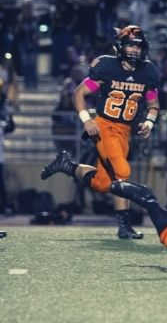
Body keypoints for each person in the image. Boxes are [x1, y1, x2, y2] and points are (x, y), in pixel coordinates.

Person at [40, 25, 160, 239]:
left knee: (103, 184)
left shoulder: (148, 72)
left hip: (125, 132)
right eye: (130, 45)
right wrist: (87, 120)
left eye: (138, 46)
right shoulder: (107, 67)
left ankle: (67, 165)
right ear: (120, 47)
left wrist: (149, 122)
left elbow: (153, 105)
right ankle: (125, 226)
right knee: (122, 171)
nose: (134, 50)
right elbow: (79, 93)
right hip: (104, 126)